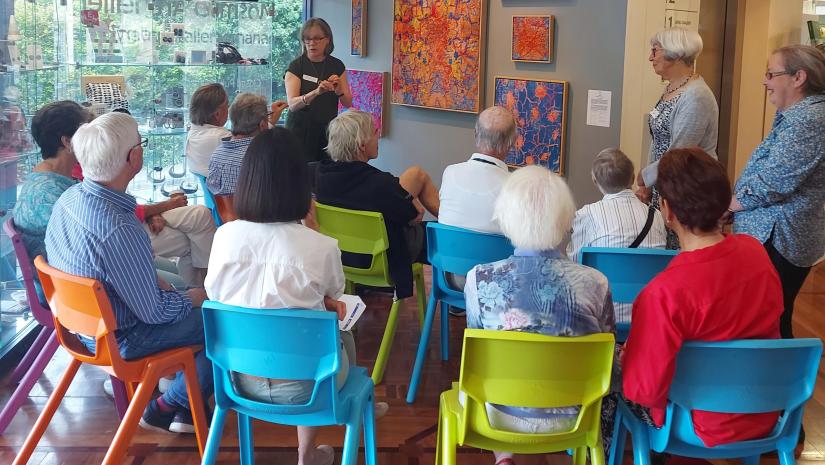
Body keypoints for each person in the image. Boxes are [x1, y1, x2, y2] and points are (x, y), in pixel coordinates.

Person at [205, 127, 386, 465]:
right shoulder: (321, 247)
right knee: (338, 335)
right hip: (311, 389)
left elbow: (217, 295)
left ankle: (311, 448)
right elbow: (336, 300)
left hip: (236, 380)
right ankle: (307, 452)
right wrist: (314, 233)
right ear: (302, 184)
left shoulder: (223, 237)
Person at [44, 111, 213, 434]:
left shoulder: (69, 198)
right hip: (121, 339)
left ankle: (181, 398)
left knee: (181, 293)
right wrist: (193, 296)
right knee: (222, 321)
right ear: (134, 157)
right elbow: (153, 312)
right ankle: (168, 405)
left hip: (81, 327)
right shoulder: (119, 226)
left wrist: (157, 285)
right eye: (141, 143)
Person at [622, 148, 783, 448]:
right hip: (766, 409)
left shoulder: (663, 293)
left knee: (614, 383)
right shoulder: (757, 253)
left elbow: (642, 389)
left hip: (696, 424)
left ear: (667, 210)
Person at [464, 165, 615, 465]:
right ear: (564, 219)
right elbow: (606, 350)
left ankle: (504, 456)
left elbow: (477, 345)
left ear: (505, 217)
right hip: (575, 414)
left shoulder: (479, 279)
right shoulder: (595, 282)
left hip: (497, 416)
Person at [17, 101, 216, 289]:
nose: (94, 138)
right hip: (80, 290)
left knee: (193, 231)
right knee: (185, 257)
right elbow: (99, 251)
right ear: (68, 142)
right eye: (86, 132)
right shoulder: (53, 196)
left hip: (84, 283)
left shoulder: (52, 184)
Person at [731, 44, 825, 340]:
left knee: (768, 321)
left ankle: (777, 383)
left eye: (771, 74)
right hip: (774, 235)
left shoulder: (809, 119)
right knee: (768, 317)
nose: (765, 81)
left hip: (780, 239)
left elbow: (776, 180)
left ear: (799, 77)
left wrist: (731, 204)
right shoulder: (796, 115)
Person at [315, 109, 439, 301]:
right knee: (438, 234)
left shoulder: (318, 175)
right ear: (362, 145)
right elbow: (414, 215)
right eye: (374, 132)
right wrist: (408, 199)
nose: (378, 136)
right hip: (379, 262)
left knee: (414, 175)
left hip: (341, 258)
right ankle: (457, 291)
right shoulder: (380, 185)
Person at [637, 27, 719, 248]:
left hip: (687, 190)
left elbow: (680, 151)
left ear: (677, 53)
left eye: (655, 51)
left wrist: (646, 177)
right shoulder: (672, 89)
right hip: (664, 183)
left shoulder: (696, 96)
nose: (650, 57)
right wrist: (648, 183)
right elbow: (656, 138)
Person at [568, 148, 666, 323]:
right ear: (632, 177)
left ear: (595, 180)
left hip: (601, 316)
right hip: (648, 315)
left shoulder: (587, 215)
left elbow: (576, 267)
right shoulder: (656, 216)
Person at [285, 17, 352, 163]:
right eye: (307, 39)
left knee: (325, 174)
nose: (311, 43)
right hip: (300, 132)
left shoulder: (337, 65)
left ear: (327, 39)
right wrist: (316, 92)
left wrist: (339, 88)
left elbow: (347, 102)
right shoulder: (296, 66)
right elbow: (292, 104)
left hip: (328, 131)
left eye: (317, 39)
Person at [438, 105, 515, 234]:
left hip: (448, 253)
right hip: (497, 255)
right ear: (511, 142)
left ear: (475, 134)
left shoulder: (450, 173)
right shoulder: (516, 187)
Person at [206, 93, 287, 196]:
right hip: (261, 211)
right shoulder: (266, 158)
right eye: (268, 116)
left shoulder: (217, 154)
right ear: (262, 125)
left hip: (224, 211)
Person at [185, 83, 230, 177]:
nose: (229, 109)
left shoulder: (193, 134)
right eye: (227, 105)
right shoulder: (220, 137)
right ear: (217, 114)